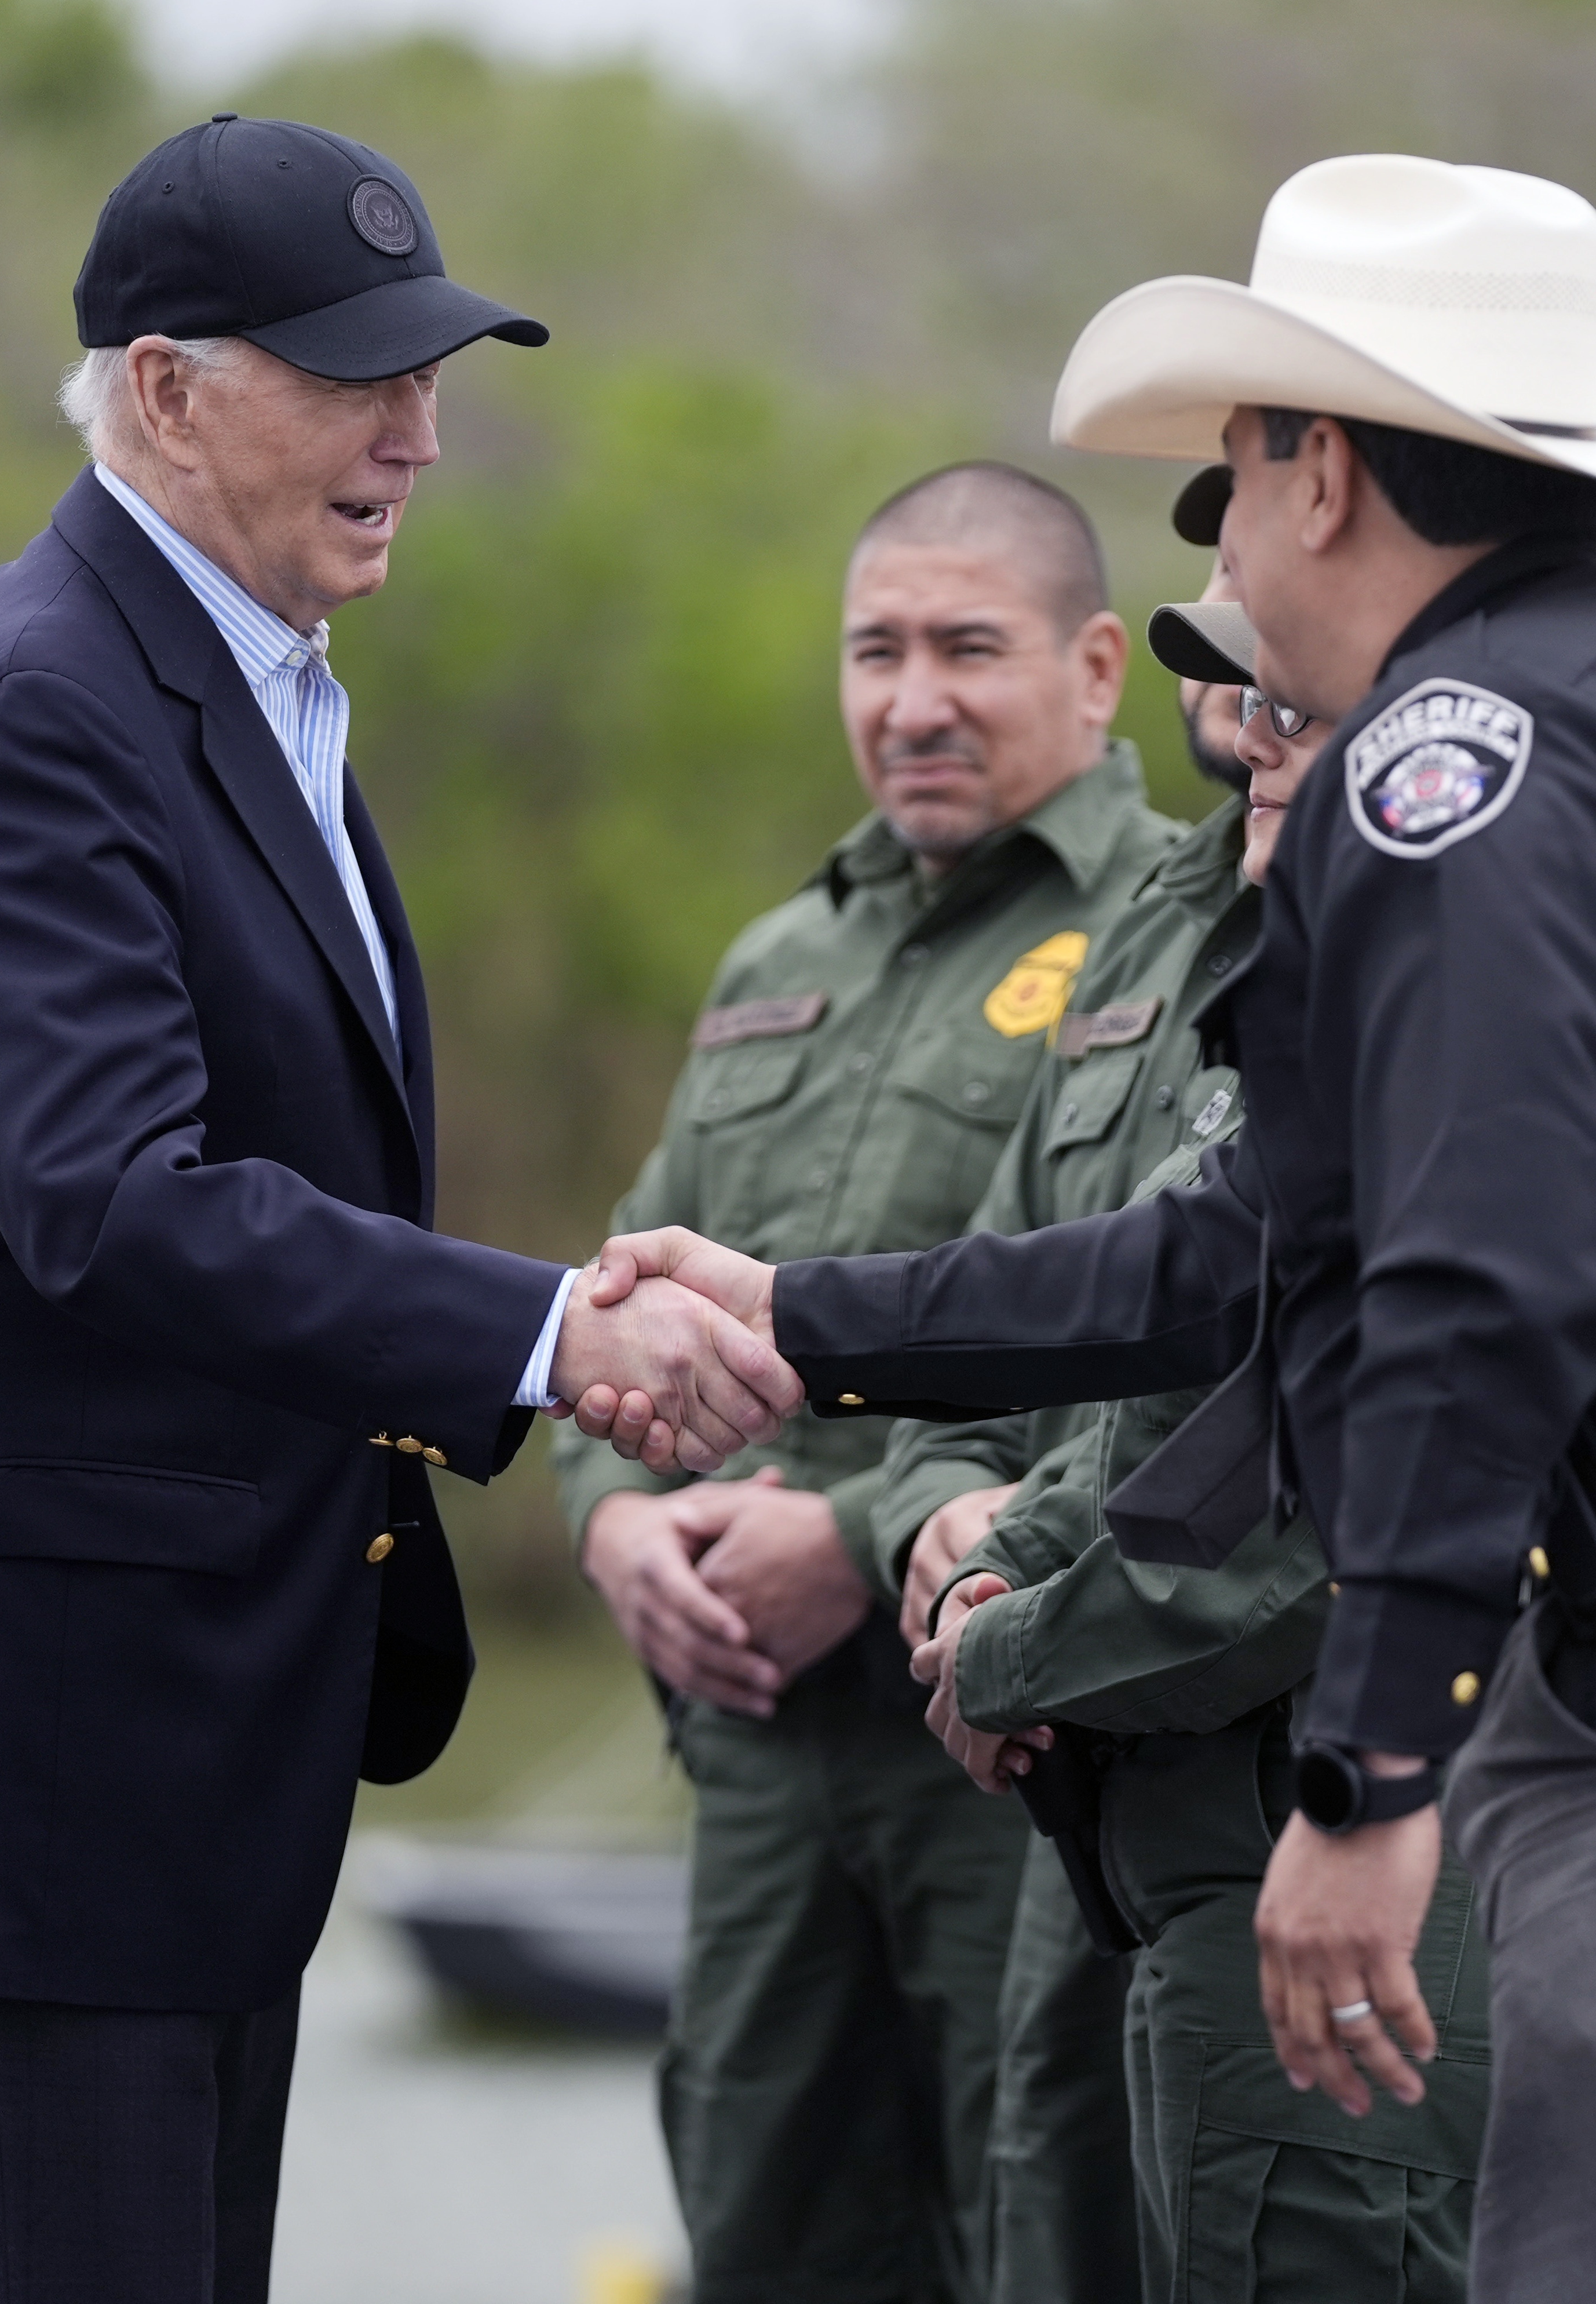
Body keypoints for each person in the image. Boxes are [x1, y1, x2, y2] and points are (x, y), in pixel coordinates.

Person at [580, 152, 1596, 2304]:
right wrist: (802, 1317)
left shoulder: (1454, 752)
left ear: (1321, 469)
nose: (1223, 529)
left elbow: (1478, 1285)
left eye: (1232, 470)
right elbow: (1235, 1258)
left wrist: (1376, 1770)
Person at [0, 116, 794, 2304]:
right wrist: (549, 1334)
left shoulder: (246, 680)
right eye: (351, 378)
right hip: (44, 1777)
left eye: (430, 375)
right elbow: (116, 1204)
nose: (416, 433)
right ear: (164, 390)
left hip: (180, 1765)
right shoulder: (45, 707)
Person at [553, 461, 1181, 2304]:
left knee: (1045, 2224)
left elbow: (1183, 1324)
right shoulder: (778, 957)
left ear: (1093, 667)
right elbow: (626, 1275)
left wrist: (851, 1528)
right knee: (764, 2221)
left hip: (1009, 1744)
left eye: (968, 649)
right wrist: (610, 1531)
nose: (912, 700)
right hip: (758, 1760)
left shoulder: (1173, 934)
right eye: (876, 650)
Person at [894, 524, 1496, 2302]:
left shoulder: (1457, 1026)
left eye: (1299, 699)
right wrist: (984, 1553)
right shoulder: (1264, 987)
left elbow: (1325, 1514)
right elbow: (1139, 1376)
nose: (1246, 725)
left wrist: (1000, 1657)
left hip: (1351, 1868)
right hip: (1174, 1850)